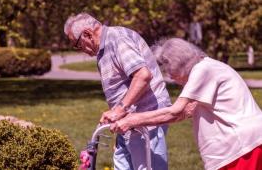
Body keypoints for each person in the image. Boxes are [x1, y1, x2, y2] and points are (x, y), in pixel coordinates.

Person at [111, 38, 262, 170]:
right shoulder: (208, 68)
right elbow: (184, 113)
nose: (170, 77)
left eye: (169, 70)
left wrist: (132, 120)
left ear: (177, 63)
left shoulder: (203, 70)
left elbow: (175, 111)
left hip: (242, 146)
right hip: (238, 147)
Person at [64, 13, 171, 170]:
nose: (80, 50)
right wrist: (117, 116)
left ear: (87, 34)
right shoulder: (103, 49)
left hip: (146, 118)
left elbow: (142, 75)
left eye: (77, 44)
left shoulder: (117, 38)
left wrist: (120, 109)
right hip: (127, 122)